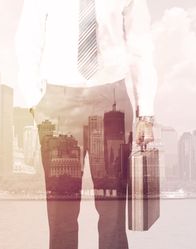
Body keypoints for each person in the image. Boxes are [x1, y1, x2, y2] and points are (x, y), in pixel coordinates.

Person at [15, 0, 157, 248]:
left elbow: (141, 46)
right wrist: (34, 102)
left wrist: (146, 113)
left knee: (113, 212)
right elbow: (28, 41)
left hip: (111, 100)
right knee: (61, 211)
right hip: (58, 104)